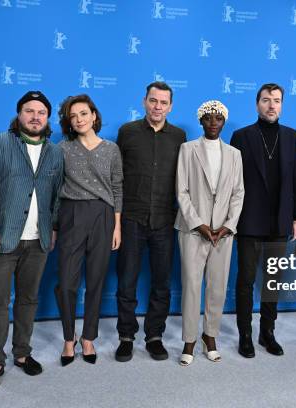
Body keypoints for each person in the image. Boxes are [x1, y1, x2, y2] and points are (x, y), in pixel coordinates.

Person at [0, 91, 63, 390]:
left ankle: (22, 354)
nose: (35, 116)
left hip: (38, 243)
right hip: (1, 240)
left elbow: (59, 195)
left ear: (48, 118)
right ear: (19, 114)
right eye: (29, 110)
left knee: (28, 300)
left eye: (41, 112)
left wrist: (54, 227)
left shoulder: (55, 152)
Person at [230, 83, 296, 358]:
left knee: (273, 281)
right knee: (246, 280)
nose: (271, 105)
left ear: (282, 105)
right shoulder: (241, 136)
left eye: (276, 100)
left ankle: (267, 332)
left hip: (280, 221)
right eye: (265, 100)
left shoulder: (292, 136)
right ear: (257, 104)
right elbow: (232, 181)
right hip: (248, 220)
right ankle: (245, 335)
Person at [115, 82, 186, 362]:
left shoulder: (179, 137)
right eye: (153, 101)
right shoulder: (127, 132)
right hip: (132, 218)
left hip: (165, 221)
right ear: (144, 101)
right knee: (127, 281)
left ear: (170, 106)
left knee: (161, 283)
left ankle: (155, 336)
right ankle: (126, 336)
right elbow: (116, 177)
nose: (157, 107)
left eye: (163, 102)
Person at [54, 94, 123, 366]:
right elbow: (54, 190)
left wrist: (117, 226)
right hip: (72, 213)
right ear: (69, 122)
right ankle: (68, 339)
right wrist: (56, 226)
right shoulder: (61, 149)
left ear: (94, 115)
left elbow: (117, 187)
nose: (79, 119)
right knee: (67, 283)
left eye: (83, 113)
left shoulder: (111, 149)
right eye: (73, 116)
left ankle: (88, 338)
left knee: (96, 280)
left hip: (103, 216)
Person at [175, 100, 244, 366]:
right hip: (193, 229)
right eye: (208, 118)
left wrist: (229, 224)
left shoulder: (234, 154)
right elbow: (181, 190)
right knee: (192, 285)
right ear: (201, 121)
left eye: (218, 119)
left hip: (223, 232)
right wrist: (198, 223)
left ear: (224, 122)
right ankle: (189, 339)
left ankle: (210, 336)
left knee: (217, 286)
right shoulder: (187, 149)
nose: (213, 123)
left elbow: (238, 192)